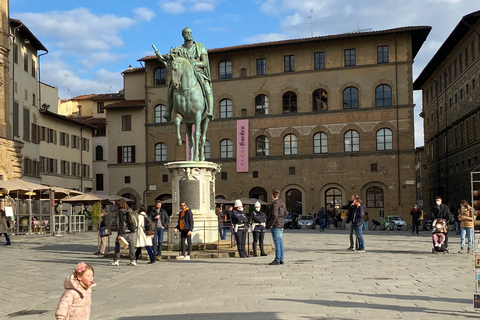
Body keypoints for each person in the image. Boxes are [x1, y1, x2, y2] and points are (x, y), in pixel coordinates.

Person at [155, 27, 213, 122]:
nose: (189, 34)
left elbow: (205, 63)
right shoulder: (179, 50)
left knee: (207, 87)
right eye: (187, 33)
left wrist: (194, 63)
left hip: (197, 71)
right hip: (182, 75)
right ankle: (168, 112)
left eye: (190, 32)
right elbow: (171, 62)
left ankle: (210, 111)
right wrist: (161, 58)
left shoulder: (200, 47)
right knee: (171, 88)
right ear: (183, 35)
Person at [111, 198, 137, 266]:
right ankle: (133, 260)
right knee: (131, 245)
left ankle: (116, 260)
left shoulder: (121, 211)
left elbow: (121, 223)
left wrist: (120, 234)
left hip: (123, 231)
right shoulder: (129, 210)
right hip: (130, 230)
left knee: (117, 244)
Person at [267, 190, 287, 265]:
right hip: (281, 224)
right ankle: (281, 258)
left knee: (277, 242)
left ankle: (277, 259)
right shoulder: (282, 203)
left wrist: (270, 224)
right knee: (280, 241)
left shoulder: (274, 203)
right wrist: (281, 220)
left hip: (275, 224)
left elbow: (274, 215)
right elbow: (285, 213)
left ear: (272, 195)